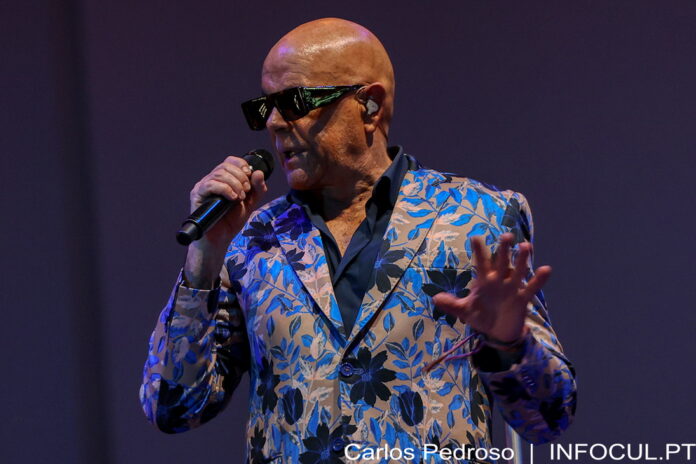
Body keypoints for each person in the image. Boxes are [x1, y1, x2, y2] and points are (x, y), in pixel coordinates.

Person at [140, 18, 576, 464]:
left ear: (370, 105)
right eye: (264, 107)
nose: (274, 123)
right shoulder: (252, 238)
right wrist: (204, 256)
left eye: (295, 102)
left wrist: (510, 343)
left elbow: (548, 417)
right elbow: (173, 407)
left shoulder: (478, 218)